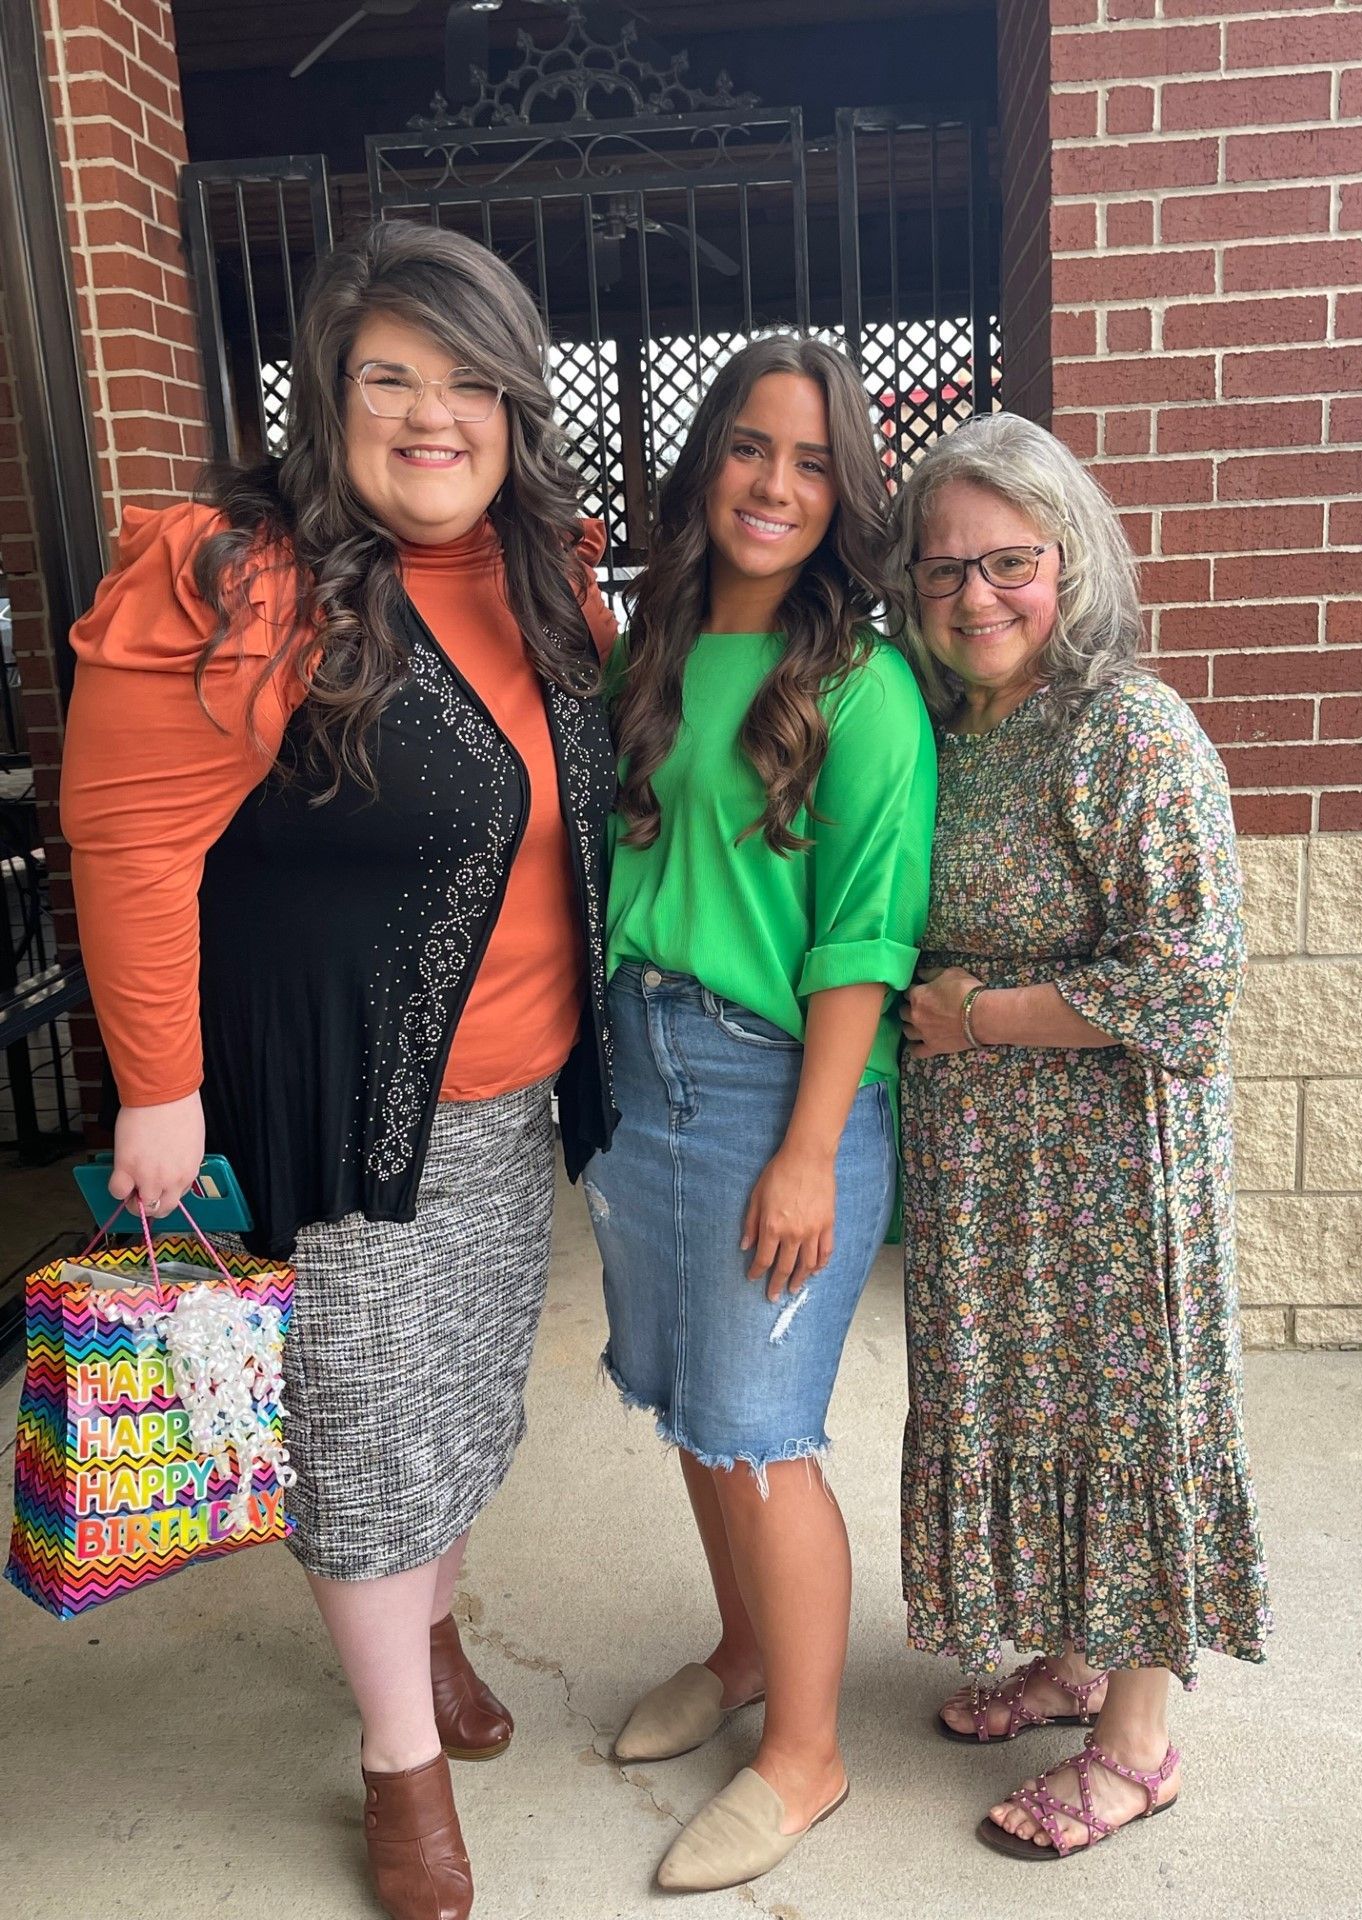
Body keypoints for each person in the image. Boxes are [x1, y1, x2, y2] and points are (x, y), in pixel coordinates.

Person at [60, 221, 618, 1920]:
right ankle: (400, 1766)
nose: (432, 416)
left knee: (462, 1401)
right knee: (366, 1433)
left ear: (517, 404)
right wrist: (160, 1088)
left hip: (513, 1094)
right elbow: (131, 841)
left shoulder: (541, 570)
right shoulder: (245, 574)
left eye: (468, 382)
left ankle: (432, 1634)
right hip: (337, 1094)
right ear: (328, 396)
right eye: (390, 377)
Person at [893, 411, 1269, 1861]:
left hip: (1111, 1163)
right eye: (945, 572)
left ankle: (1136, 1741)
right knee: (1023, 1410)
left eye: (1010, 563)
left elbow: (1193, 978)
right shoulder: (944, 734)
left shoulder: (1129, 728)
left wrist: (975, 1020)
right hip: (986, 1168)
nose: (977, 598)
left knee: (1128, 1421)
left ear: (1073, 562)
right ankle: (1065, 1656)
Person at [587, 336, 936, 1893]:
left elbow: (864, 934)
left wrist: (809, 1149)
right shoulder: (647, 648)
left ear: (844, 489)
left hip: (769, 1087)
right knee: (687, 1405)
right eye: (747, 448)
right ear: (704, 462)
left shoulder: (863, 688)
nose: (774, 485)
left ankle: (807, 1752)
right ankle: (741, 1654)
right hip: (637, 1063)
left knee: (763, 1431)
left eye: (809, 461)